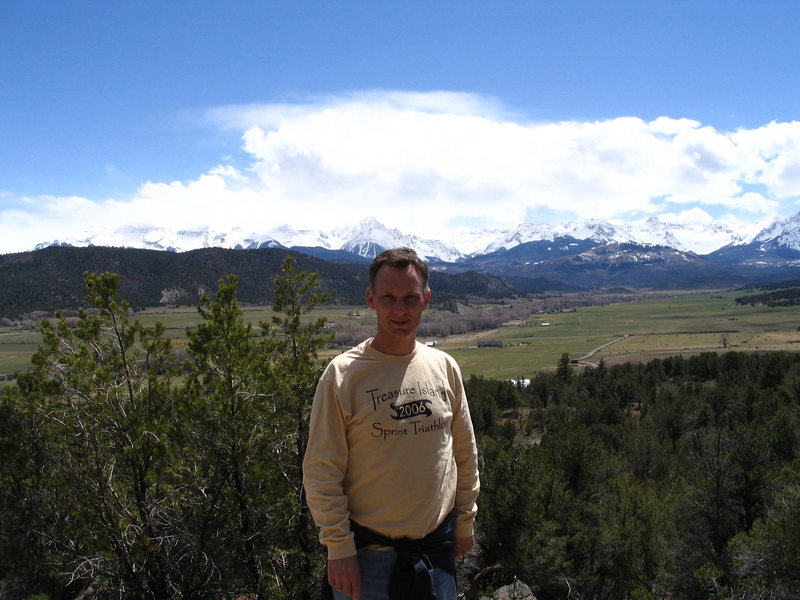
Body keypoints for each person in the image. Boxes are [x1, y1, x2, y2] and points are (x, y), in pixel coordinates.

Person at [303, 247, 480, 600]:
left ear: (426, 299)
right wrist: (339, 549)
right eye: (389, 298)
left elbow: (464, 453)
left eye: (410, 298)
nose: (400, 309)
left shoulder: (444, 367)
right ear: (371, 299)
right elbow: (322, 470)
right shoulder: (343, 375)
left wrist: (465, 522)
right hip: (367, 555)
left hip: (435, 549)